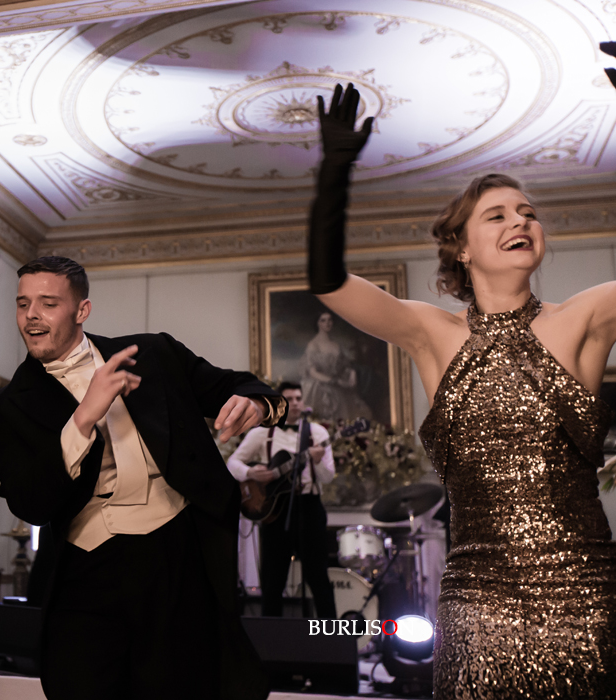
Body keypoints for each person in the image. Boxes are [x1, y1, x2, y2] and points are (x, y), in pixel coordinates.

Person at [307, 81, 616, 697]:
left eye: (528, 213)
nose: (521, 220)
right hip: (477, 604)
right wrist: (334, 171)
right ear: (463, 249)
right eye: (497, 215)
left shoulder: (584, 318)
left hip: (582, 597)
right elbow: (328, 281)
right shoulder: (433, 335)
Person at [0, 256, 287, 700]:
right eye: (22, 303)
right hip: (89, 568)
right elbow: (29, 503)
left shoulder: (153, 355)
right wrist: (83, 417)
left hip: (178, 551)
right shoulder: (6, 409)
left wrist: (257, 404)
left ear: (82, 310)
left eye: (48, 303)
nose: (31, 315)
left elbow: (240, 386)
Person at [226, 382, 336, 620]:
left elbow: (328, 477)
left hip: (309, 506)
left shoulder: (318, 433)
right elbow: (232, 463)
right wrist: (251, 473)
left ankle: (330, 636)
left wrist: (317, 461)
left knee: (318, 577)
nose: (295, 403)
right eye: (289, 399)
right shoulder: (261, 433)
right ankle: (271, 638)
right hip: (275, 510)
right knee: (273, 579)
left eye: (298, 398)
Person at [301, 311, 372, 421]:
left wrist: (352, 373)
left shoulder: (335, 345)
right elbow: (313, 372)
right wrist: (335, 381)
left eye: (330, 320)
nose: (327, 323)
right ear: (318, 323)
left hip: (338, 385)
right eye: (323, 320)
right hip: (320, 387)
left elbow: (345, 365)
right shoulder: (313, 345)